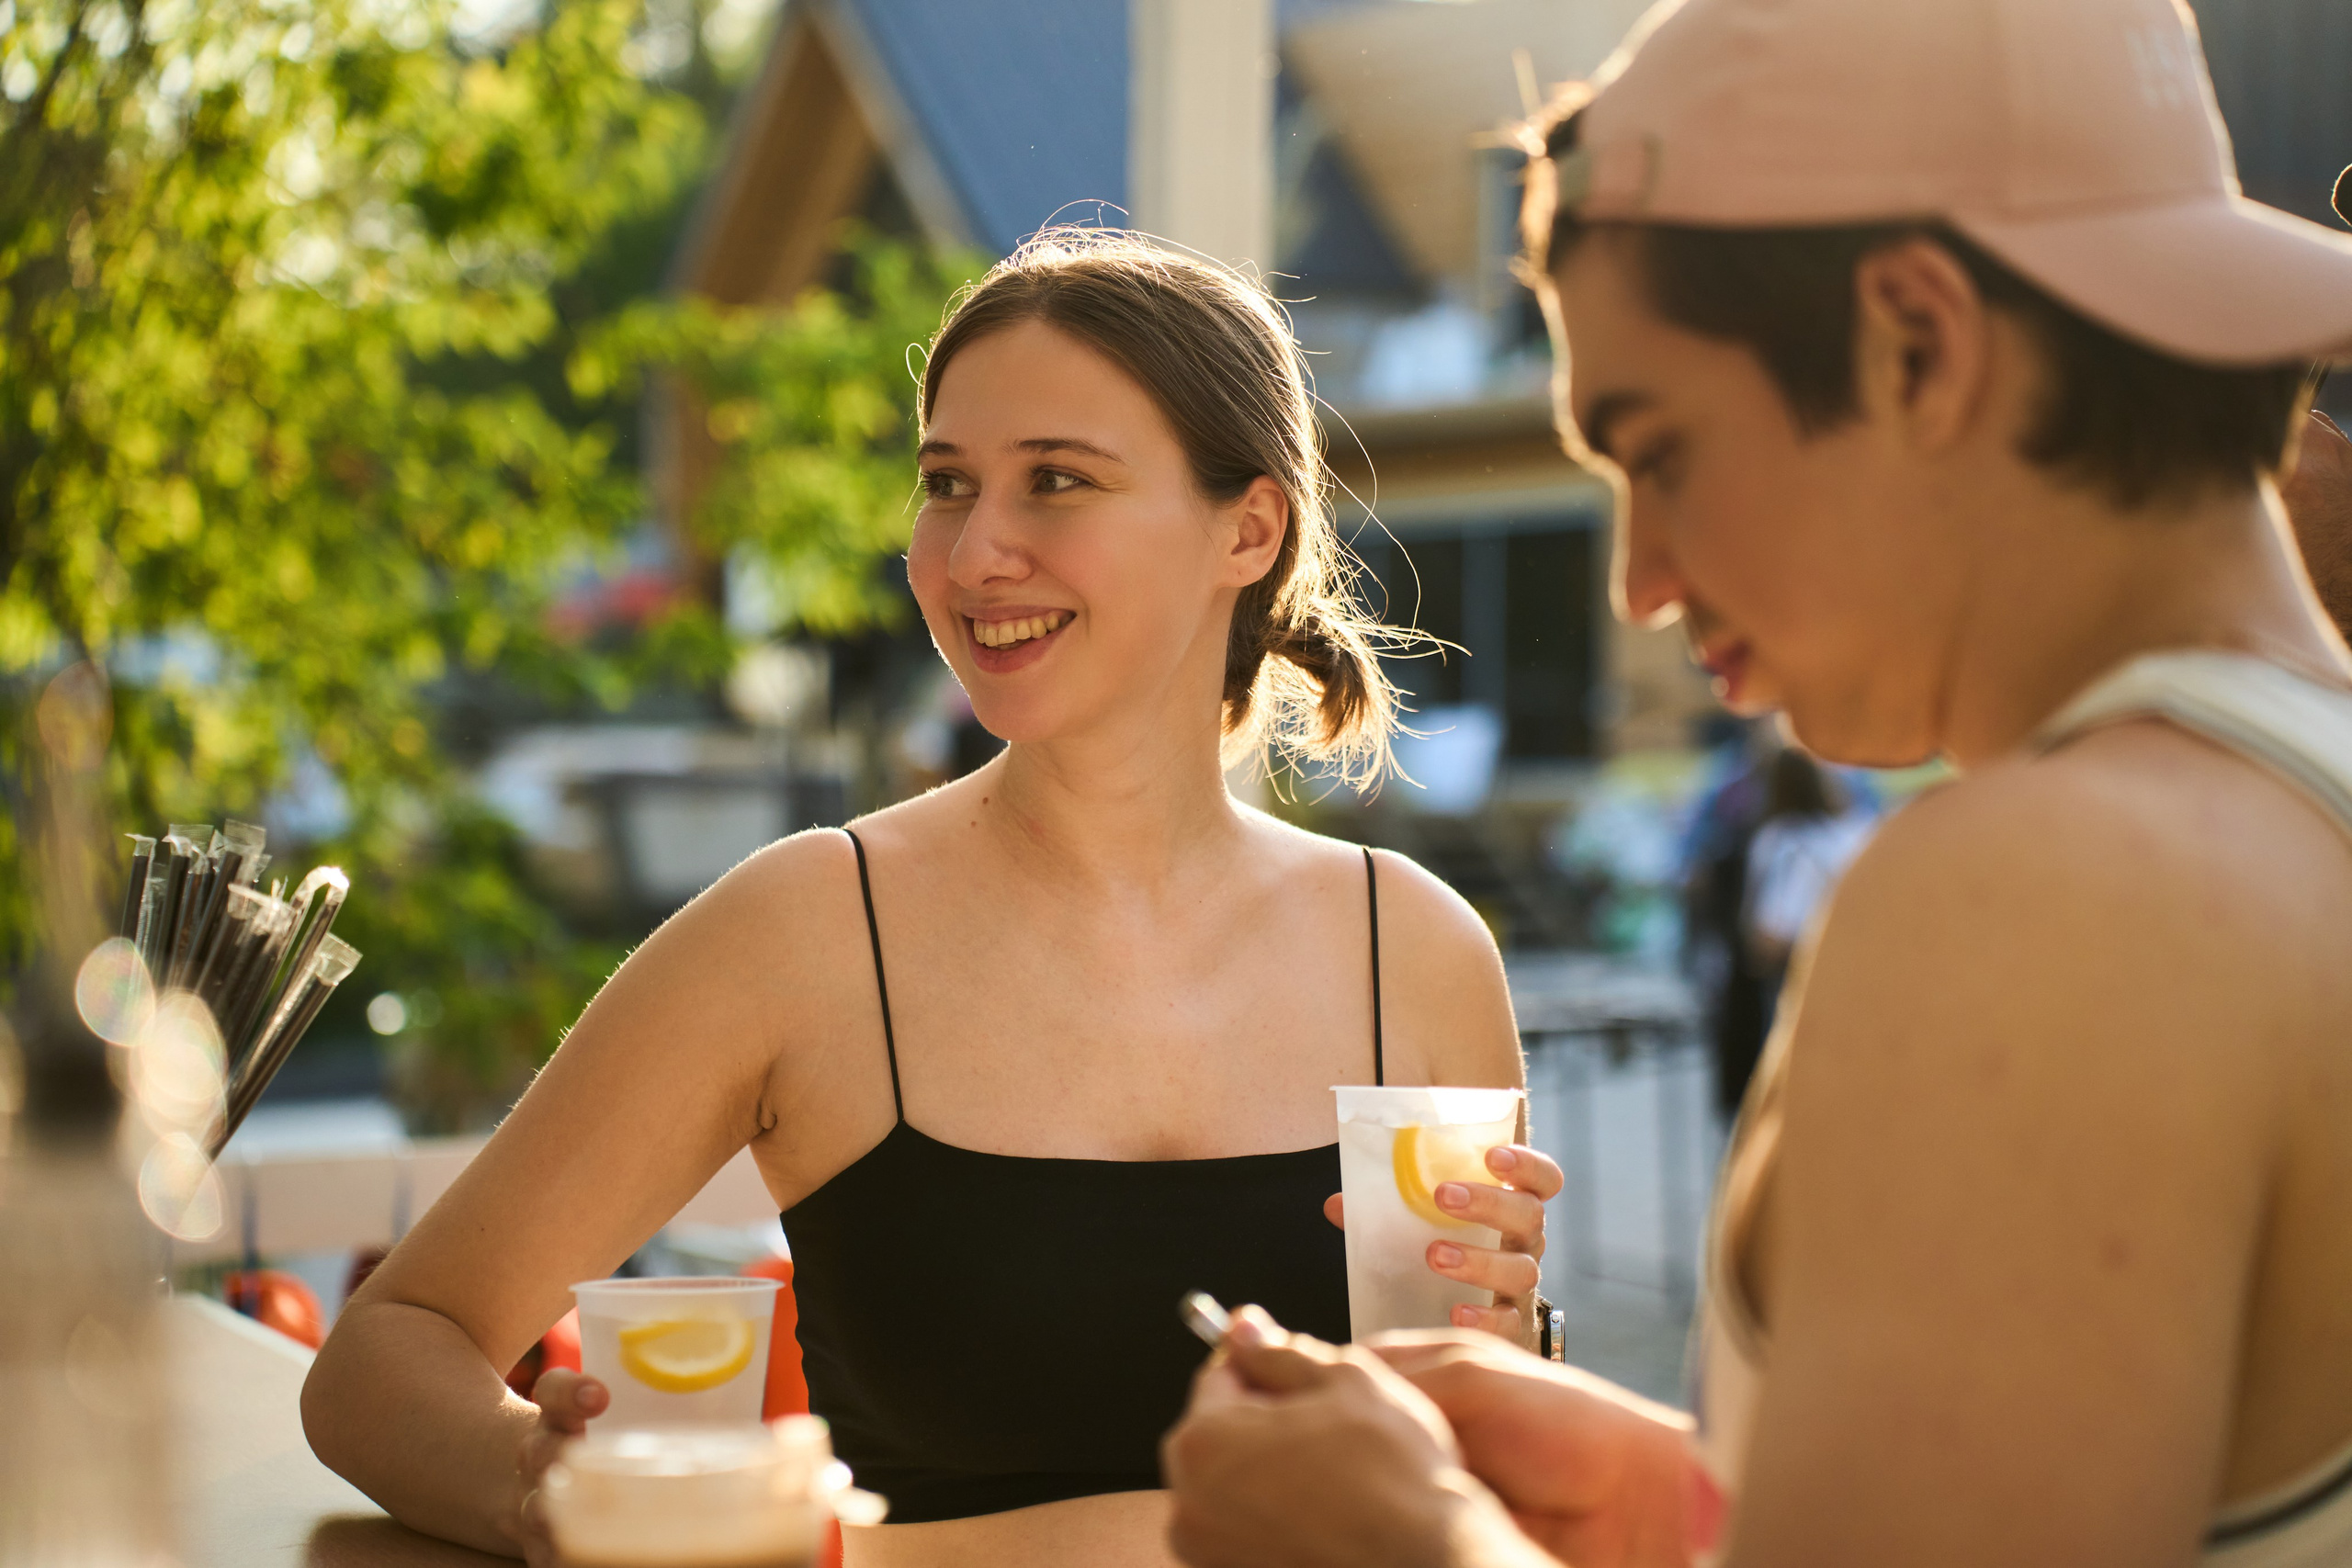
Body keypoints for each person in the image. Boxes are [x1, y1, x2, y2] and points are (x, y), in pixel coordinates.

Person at [1160, 0, 2352, 1564]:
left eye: (1660, 451)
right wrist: (1702, 1503)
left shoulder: (2054, 895)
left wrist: (1407, 1543)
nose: (1640, 583)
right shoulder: (2290, 801)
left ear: (1918, 343)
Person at [303, 232, 1565, 1568]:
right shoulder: (805, 930)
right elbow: (389, 1350)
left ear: (1246, 528)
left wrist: (1516, 1342)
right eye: (947, 485)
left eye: (1057, 482)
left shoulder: (1416, 949)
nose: (973, 554)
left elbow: (1500, 1472)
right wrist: (547, 1485)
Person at [1737, 749, 1872, 1025]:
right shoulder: (1851, 833)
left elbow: (1767, 932)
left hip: (1796, 962)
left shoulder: (1778, 839)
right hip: (1842, 962)